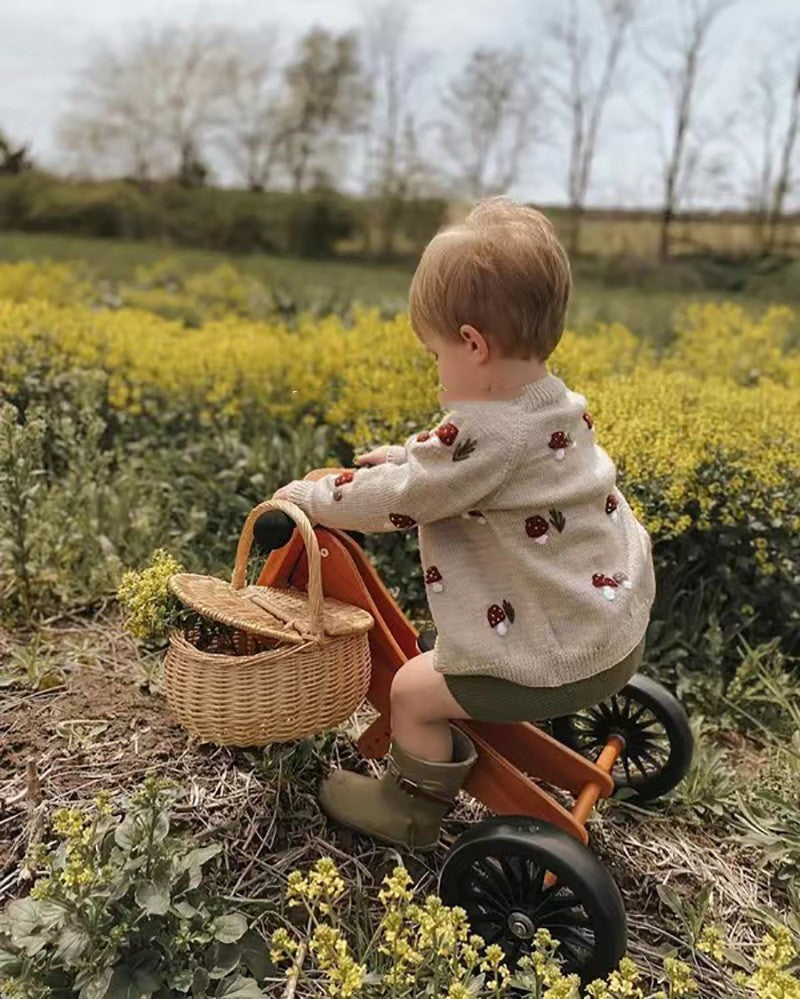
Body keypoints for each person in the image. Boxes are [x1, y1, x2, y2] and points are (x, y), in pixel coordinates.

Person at [272, 197, 655, 850]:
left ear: (474, 344)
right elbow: (465, 468)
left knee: (414, 689)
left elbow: (408, 496)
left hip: (559, 659)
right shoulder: (551, 402)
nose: (437, 369)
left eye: (435, 354)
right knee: (437, 666)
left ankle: (409, 809)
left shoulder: (485, 432)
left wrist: (317, 498)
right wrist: (403, 456)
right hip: (615, 629)